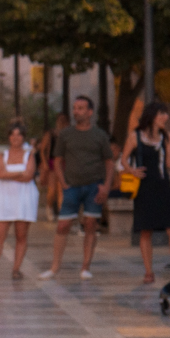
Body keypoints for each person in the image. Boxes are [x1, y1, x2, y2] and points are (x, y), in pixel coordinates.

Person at [40, 96, 117, 280]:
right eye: (75, 108)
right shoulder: (66, 134)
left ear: (90, 112)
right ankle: (54, 267)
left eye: (81, 108)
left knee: (90, 224)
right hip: (72, 186)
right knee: (63, 225)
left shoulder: (100, 135)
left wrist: (106, 186)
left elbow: (109, 161)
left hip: (94, 186)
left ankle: (85, 267)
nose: (76, 111)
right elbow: (57, 160)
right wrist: (62, 182)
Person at [125, 102, 170, 284]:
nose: (165, 117)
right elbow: (123, 160)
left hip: (163, 186)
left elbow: (168, 164)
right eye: (162, 113)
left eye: (166, 114)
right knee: (146, 230)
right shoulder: (135, 137)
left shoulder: (167, 137)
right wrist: (132, 171)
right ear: (152, 115)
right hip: (145, 187)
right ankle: (149, 272)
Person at [0, 123, 38, 279]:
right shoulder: (2, 155)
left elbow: (29, 176)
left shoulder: (29, 155)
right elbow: (0, 174)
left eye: (19, 135)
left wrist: (10, 173)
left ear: (23, 137)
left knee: (21, 235)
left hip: (23, 197)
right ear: (9, 137)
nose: (15, 138)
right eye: (12, 135)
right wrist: (19, 172)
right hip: (5, 197)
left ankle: (16, 269)